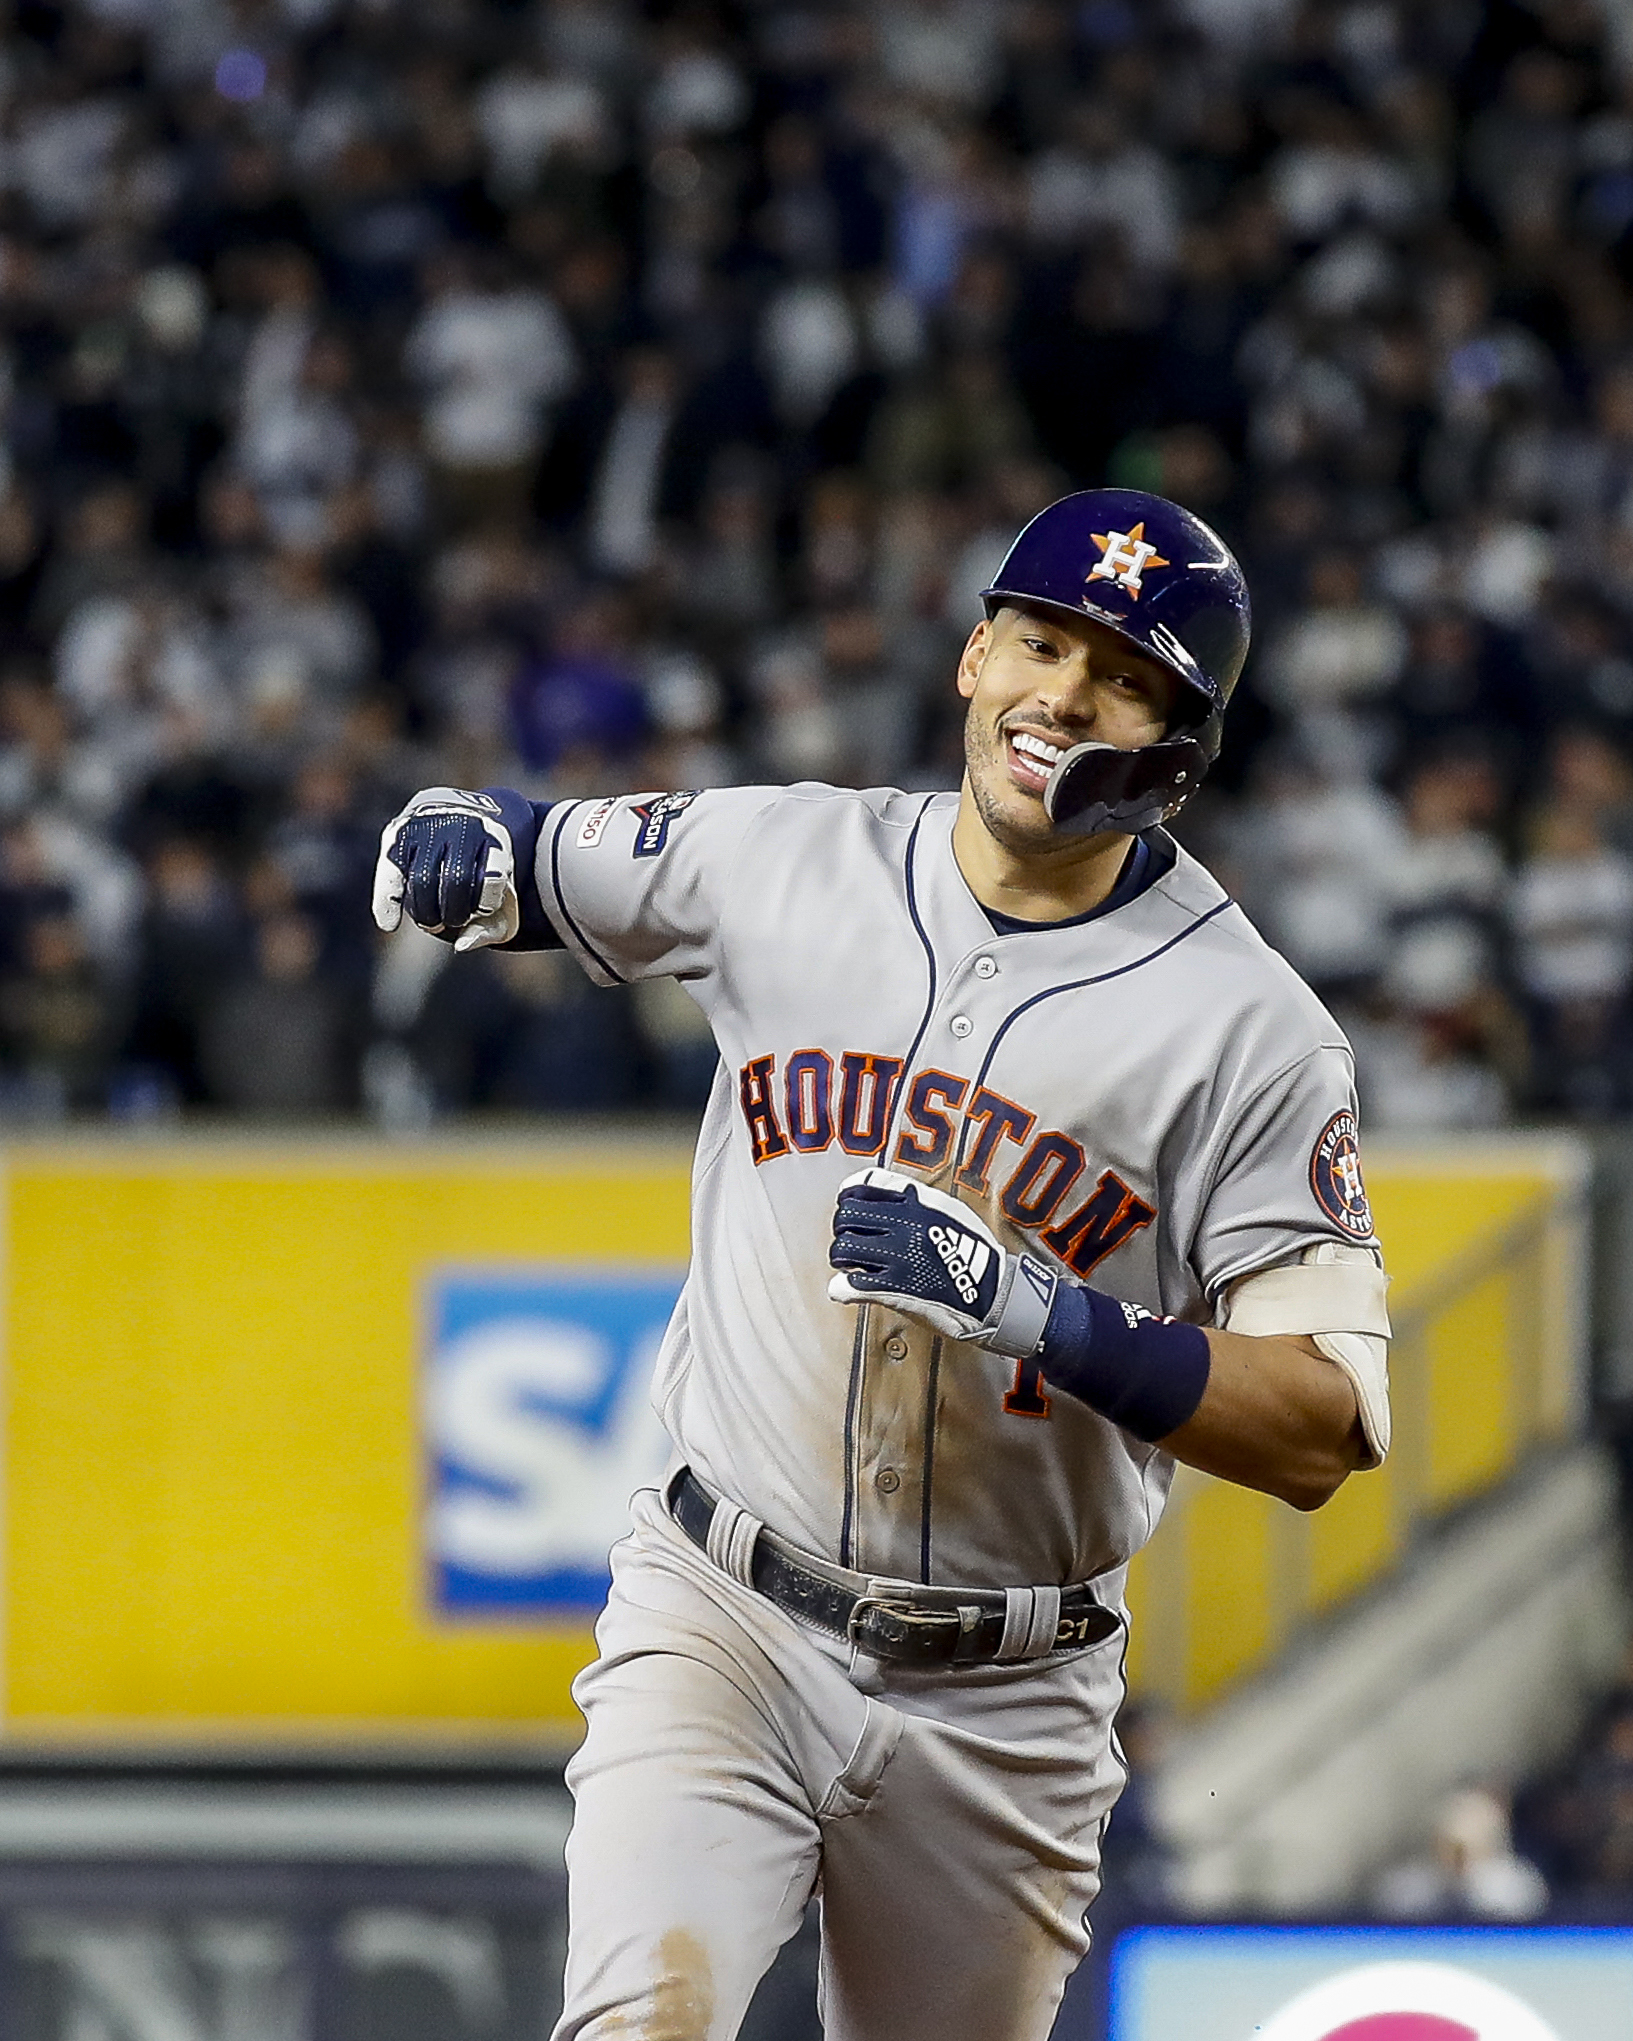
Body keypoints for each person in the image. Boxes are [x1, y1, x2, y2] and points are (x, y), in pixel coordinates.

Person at [370, 489, 1392, 2041]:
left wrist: (1047, 1317)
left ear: (1182, 745)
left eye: (1123, 677)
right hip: (728, 1606)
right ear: (974, 656)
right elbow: (530, 851)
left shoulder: (1249, 1032)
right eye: (1041, 643)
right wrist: (449, 833)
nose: (1064, 694)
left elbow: (1323, 1426)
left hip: (1009, 1686)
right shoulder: (785, 857)